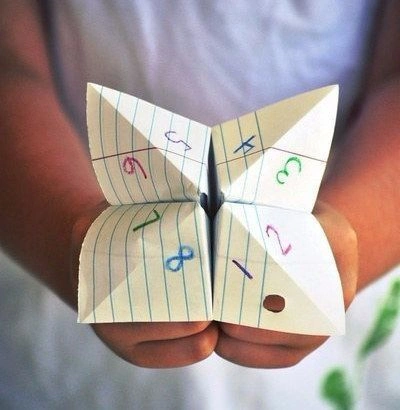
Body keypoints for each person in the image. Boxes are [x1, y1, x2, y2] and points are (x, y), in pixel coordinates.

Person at [0, 0, 399, 407]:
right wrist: (71, 247)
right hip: (58, 238)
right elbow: (8, 65)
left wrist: (337, 256)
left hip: (337, 241)